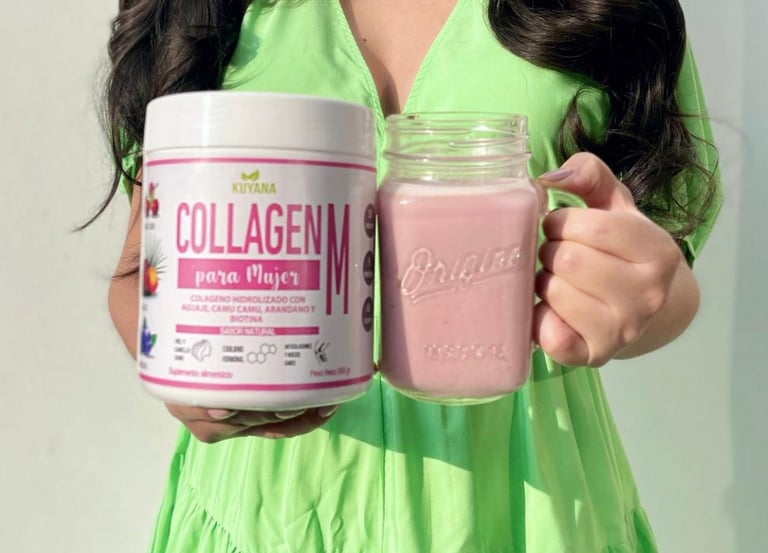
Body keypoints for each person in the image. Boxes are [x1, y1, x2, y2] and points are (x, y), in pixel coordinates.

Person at [101, 0, 721, 551]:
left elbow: (667, 271)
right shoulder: (196, 9)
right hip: (270, 509)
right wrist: (188, 381)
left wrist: (634, 297)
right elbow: (141, 270)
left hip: (529, 503)